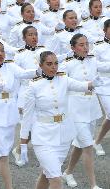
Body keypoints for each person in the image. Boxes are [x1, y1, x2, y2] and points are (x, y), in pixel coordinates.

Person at [23, 51, 103, 189]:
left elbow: (80, 85)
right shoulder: (33, 86)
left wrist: (92, 83)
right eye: (49, 64)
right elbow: (27, 116)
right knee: (56, 179)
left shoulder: (63, 78)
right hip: (43, 138)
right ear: (41, 65)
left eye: (55, 63)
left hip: (63, 138)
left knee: (46, 174)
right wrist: (23, 143)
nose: (53, 67)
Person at [0, 40, 40, 189]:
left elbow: (23, 74)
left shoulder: (10, 66)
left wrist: (39, 71)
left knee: (2, 150)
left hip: (10, 112)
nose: (0, 54)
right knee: (3, 155)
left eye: (2, 51)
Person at [60, 34, 110, 189]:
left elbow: (106, 67)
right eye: (81, 45)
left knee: (80, 145)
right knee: (88, 146)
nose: (85, 47)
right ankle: (93, 185)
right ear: (73, 48)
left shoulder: (93, 59)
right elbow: (63, 84)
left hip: (91, 109)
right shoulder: (66, 64)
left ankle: (67, 172)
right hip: (75, 110)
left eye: (87, 44)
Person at [11, 26, 47, 167]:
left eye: (36, 34)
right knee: (28, 124)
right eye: (30, 35)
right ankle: (19, 151)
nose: (34, 37)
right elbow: (16, 77)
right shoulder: (19, 54)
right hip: (26, 92)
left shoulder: (43, 51)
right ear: (24, 38)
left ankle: (19, 148)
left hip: (42, 90)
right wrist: (17, 100)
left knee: (38, 124)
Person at [91, 18, 110, 156]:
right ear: (104, 30)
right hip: (104, 84)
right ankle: (96, 142)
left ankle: (96, 141)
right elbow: (94, 65)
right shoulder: (98, 46)